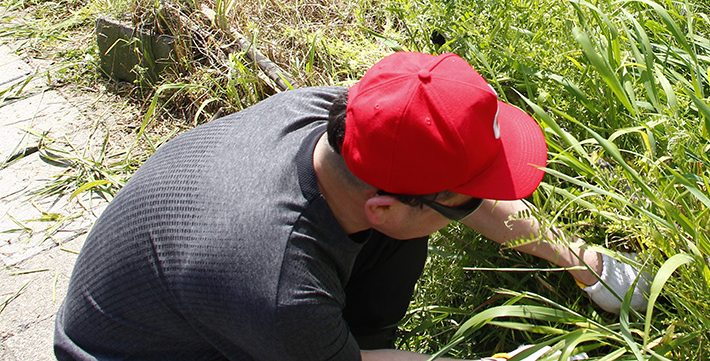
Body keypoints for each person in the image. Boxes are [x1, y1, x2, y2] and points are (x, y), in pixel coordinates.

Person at [55, 52, 650, 360]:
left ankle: (358, 333)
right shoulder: (283, 290)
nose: (479, 204)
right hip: (152, 354)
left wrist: (580, 261)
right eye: (465, 200)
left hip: (213, 290)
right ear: (385, 208)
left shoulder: (349, 113)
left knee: (415, 232)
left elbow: (449, 193)